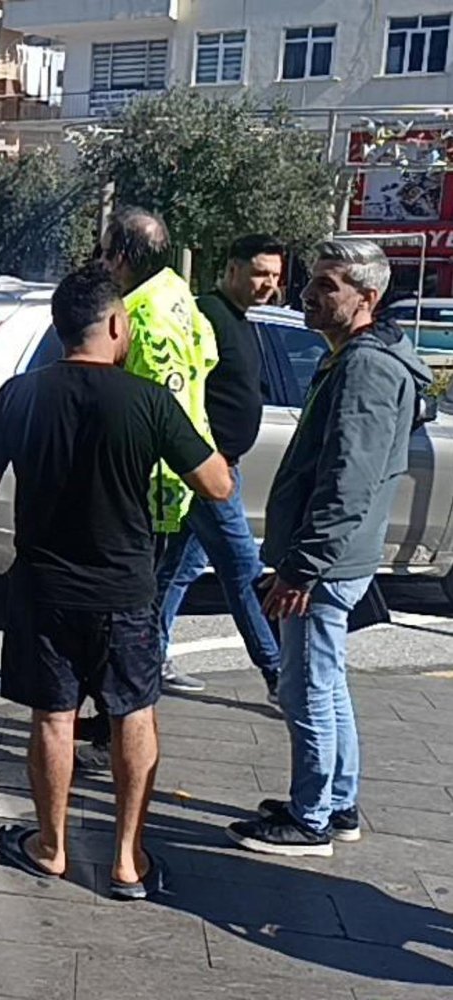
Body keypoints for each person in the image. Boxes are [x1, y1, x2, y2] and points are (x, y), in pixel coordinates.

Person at [0, 264, 230, 899]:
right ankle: (127, 861)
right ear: (117, 325)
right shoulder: (148, 401)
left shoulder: (19, 395)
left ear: (61, 330)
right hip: (126, 595)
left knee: (54, 718)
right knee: (132, 714)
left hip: (44, 590)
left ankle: (51, 848)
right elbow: (217, 485)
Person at [228, 241, 431, 857]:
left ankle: (312, 815)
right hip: (336, 556)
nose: (309, 294)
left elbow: (350, 477)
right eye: (312, 282)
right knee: (325, 680)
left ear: (366, 298)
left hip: (327, 561)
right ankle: (335, 803)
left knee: (307, 687)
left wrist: (302, 567)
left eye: (328, 285)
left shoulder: (366, 367)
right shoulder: (358, 356)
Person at [80, 207, 218, 771]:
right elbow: (207, 356)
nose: (103, 262)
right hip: (175, 477)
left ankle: (116, 728)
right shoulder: (180, 295)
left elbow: (148, 408)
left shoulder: (139, 313)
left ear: (125, 257)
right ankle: (113, 717)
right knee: (140, 610)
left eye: (108, 252)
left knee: (130, 617)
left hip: (151, 487)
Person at [155, 235, 285, 699]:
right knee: (244, 570)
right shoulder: (206, 315)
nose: (269, 283)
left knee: (178, 569)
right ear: (232, 269)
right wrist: (205, 461)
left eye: (274, 275)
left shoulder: (243, 321)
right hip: (206, 472)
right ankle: (279, 677)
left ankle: (148, 655)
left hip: (226, 466)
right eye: (259, 273)